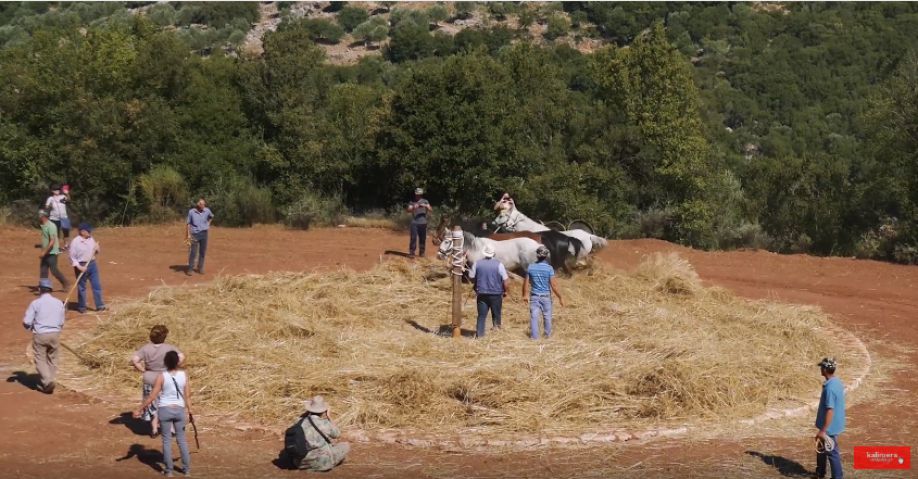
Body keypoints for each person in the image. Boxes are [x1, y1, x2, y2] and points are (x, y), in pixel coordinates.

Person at [134, 351, 192, 478]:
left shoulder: (162, 376)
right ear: (177, 362)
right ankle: (186, 470)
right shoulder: (184, 375)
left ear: (165, 362)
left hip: (165, 410)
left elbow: (152, 396)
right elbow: (187, 396)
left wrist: (139, 409)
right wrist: (190, 410)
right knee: (182, 440)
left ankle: (169, 471)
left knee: (166, 441)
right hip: (179, 409)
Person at [132, 325, 186, 437]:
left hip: (149, 377)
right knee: (167, 403)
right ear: (164, 336)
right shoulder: (169, 348)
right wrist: (173, 366)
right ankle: (171, 429)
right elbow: (182, 357)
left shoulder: (145, 348)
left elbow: (135, 360)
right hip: (165, 377)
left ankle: (154, 429)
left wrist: (143, 370)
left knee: (152, 402)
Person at [22, 278, 65, 394]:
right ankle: (50, 380)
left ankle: (47, 381)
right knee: (53, 358)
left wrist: (30, 327)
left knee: (40, 358)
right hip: (55, 334)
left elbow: (26, 322)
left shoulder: (36, 303)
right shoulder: (59, 303)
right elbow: (61, 322)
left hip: (40, 334)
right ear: (51, 290)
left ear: (40, 289)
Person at [522, 245, 564, 340]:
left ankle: (534, 337)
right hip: (546, 296)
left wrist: (525, 295)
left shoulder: (531, 267)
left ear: (537, 255)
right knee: (547, 317)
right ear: (546, 256)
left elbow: (526, 283)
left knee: (534, 317)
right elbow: (553, 285)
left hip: (534, 296)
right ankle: (547, 336)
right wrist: (560, 297)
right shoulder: (549, 268)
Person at [297, 396, 350, 472]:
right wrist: (329, 416)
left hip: (300, 462)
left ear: (309, 410)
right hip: (322, 463)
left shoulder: (299, 422)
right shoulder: (325, 423)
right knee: (345, 445)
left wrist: (306, 414)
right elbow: (337, 434)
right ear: (324, 411)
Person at [814, 357, 846, 479]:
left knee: (832, 452)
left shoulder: (830, 388)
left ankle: (837, 476)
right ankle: (820, 472)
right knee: (821, 448)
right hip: (832, 424)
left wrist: (823, 430)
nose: (820, 369)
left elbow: (830, 410)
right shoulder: (836, 382)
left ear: (825, 370)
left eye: (821, 367)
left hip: (829, 427)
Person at [468, 245, 509, 338]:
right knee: (496, 314)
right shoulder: (499, 264)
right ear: (493, 254)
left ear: (484, 253)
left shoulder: (477, 263)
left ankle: (480, 335)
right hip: (496, 294)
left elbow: (471, 277)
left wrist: (477, 281)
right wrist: (505, 291)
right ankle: (496, 334)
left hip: (482, 293)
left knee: (481, 316)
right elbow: (505, 281)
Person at [69, 223, 105, 314]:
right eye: (88, 231)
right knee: (82, 287)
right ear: (82, 232)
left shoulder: (91, 239)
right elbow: (72, 258)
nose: (90, 232)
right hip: (81, 265)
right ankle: (82, 307)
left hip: (92, 264)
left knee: (96, 285)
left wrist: (97, 249)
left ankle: (100, 306)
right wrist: (79, 267)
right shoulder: (75, 242)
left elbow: (95, 252)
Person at [38, 209, 70, 291]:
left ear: (43, 216)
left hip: (52, 252)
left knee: (54, 270)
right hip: (46, 251)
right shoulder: (43, 225)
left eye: (40, 215)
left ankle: (65, 283)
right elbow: (47, 239)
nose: (38, 216)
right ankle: (44, 287)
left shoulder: (51, 226)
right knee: (43, 270)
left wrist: (44, 252)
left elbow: (52, 241)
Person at [185, 197, 214, 276]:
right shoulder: (191, 212)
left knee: (202, 252)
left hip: (204, 234)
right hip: (194, 234)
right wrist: (188, 234)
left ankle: (200, 267)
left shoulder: (207, 210)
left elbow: (211, 216)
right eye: (201, 204)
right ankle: (190, 269)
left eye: (204, 204)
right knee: (193, 252)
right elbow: (188, 223)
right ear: (197, 204)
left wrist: (208, 224)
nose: (203, 205)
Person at [406, 188, 432, 257]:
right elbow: (408, 210)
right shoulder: (412, 201)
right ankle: (412, 252)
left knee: (422, 238)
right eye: (417, 194)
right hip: (414, 222)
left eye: (419, 194)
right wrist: (413, 207)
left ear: (421, 194)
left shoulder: (425, 201)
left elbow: (430, 209)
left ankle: (422, 252)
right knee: (413, 238)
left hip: (423, 222)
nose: (417, 196)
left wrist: (425, 206)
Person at [44, 183, 71, 250]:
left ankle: (66, 245)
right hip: (54, 218)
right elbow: (46, 206)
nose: (57, 191)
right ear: (52, 191)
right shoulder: (50, 198)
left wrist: (67, 193)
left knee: (66, 232)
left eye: (58, 190)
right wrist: (50, 206)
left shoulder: (63, 196)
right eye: (55, 190)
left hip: (64, 217)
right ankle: (56, 246)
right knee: (55, 233)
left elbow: (68, 200)